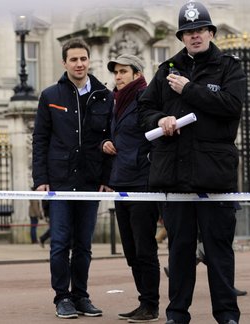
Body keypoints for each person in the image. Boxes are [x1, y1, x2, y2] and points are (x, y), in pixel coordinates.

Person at [138, 2, 247, 324]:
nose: (194, 36)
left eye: (199, 30)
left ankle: (227, 315)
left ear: (211, 33)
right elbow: (144, 112)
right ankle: (176, 314)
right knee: (180, 250)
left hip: (214, 173)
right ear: (182, 37)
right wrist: (163, 119)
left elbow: (232, 106)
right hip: (174, 174)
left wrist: (191, 89)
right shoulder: (167, 68)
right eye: (188, 32)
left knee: (218, 251)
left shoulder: (229, 67)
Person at [32, 38, 113, 319]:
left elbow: (109, 140)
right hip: (60, 181)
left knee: (84, 245)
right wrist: (40, 177)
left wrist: (106, 176)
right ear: (64, 63)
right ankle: (62, 297)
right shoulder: (50, 95)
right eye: (74, 60)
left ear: (89, 61)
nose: (79, 64)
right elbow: (40, 139)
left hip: (90, 181)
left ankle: (80, 295)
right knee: (59, 243)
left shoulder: (105, 95)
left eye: (83, 59)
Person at [102, 54, 160, 323]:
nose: (118, 77)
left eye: (123, 71)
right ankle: (143, 301)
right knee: (130, 250)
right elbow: (115, 134)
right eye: (116, 73)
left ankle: (151, 304)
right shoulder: (116, 103)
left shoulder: (145, 97)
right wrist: (105, 142)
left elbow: (154, 133)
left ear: (137, 74)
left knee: (144, 247)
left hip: (141, 182)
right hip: (121, 181)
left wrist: (144, 159)